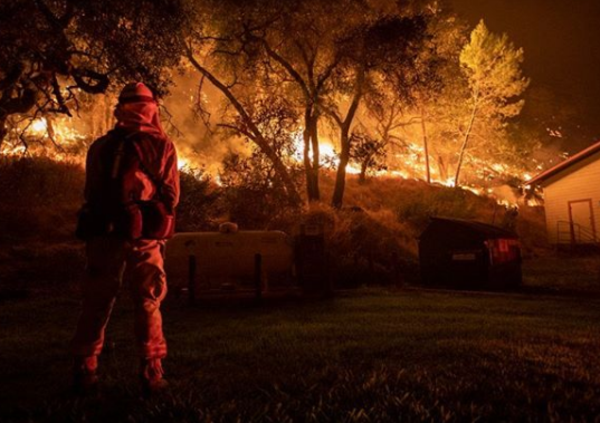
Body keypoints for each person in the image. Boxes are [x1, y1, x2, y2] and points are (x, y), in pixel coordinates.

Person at [71, 82, 179, 395]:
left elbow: (90, 192)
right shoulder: (161, 145)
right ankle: (151, 373)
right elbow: (171, 196)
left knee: (96, 299)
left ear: (120, 109)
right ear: (152, 109)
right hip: (144, 236)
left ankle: (84, 368)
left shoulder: (100, 146)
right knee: (148, 300)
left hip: (103, 234)